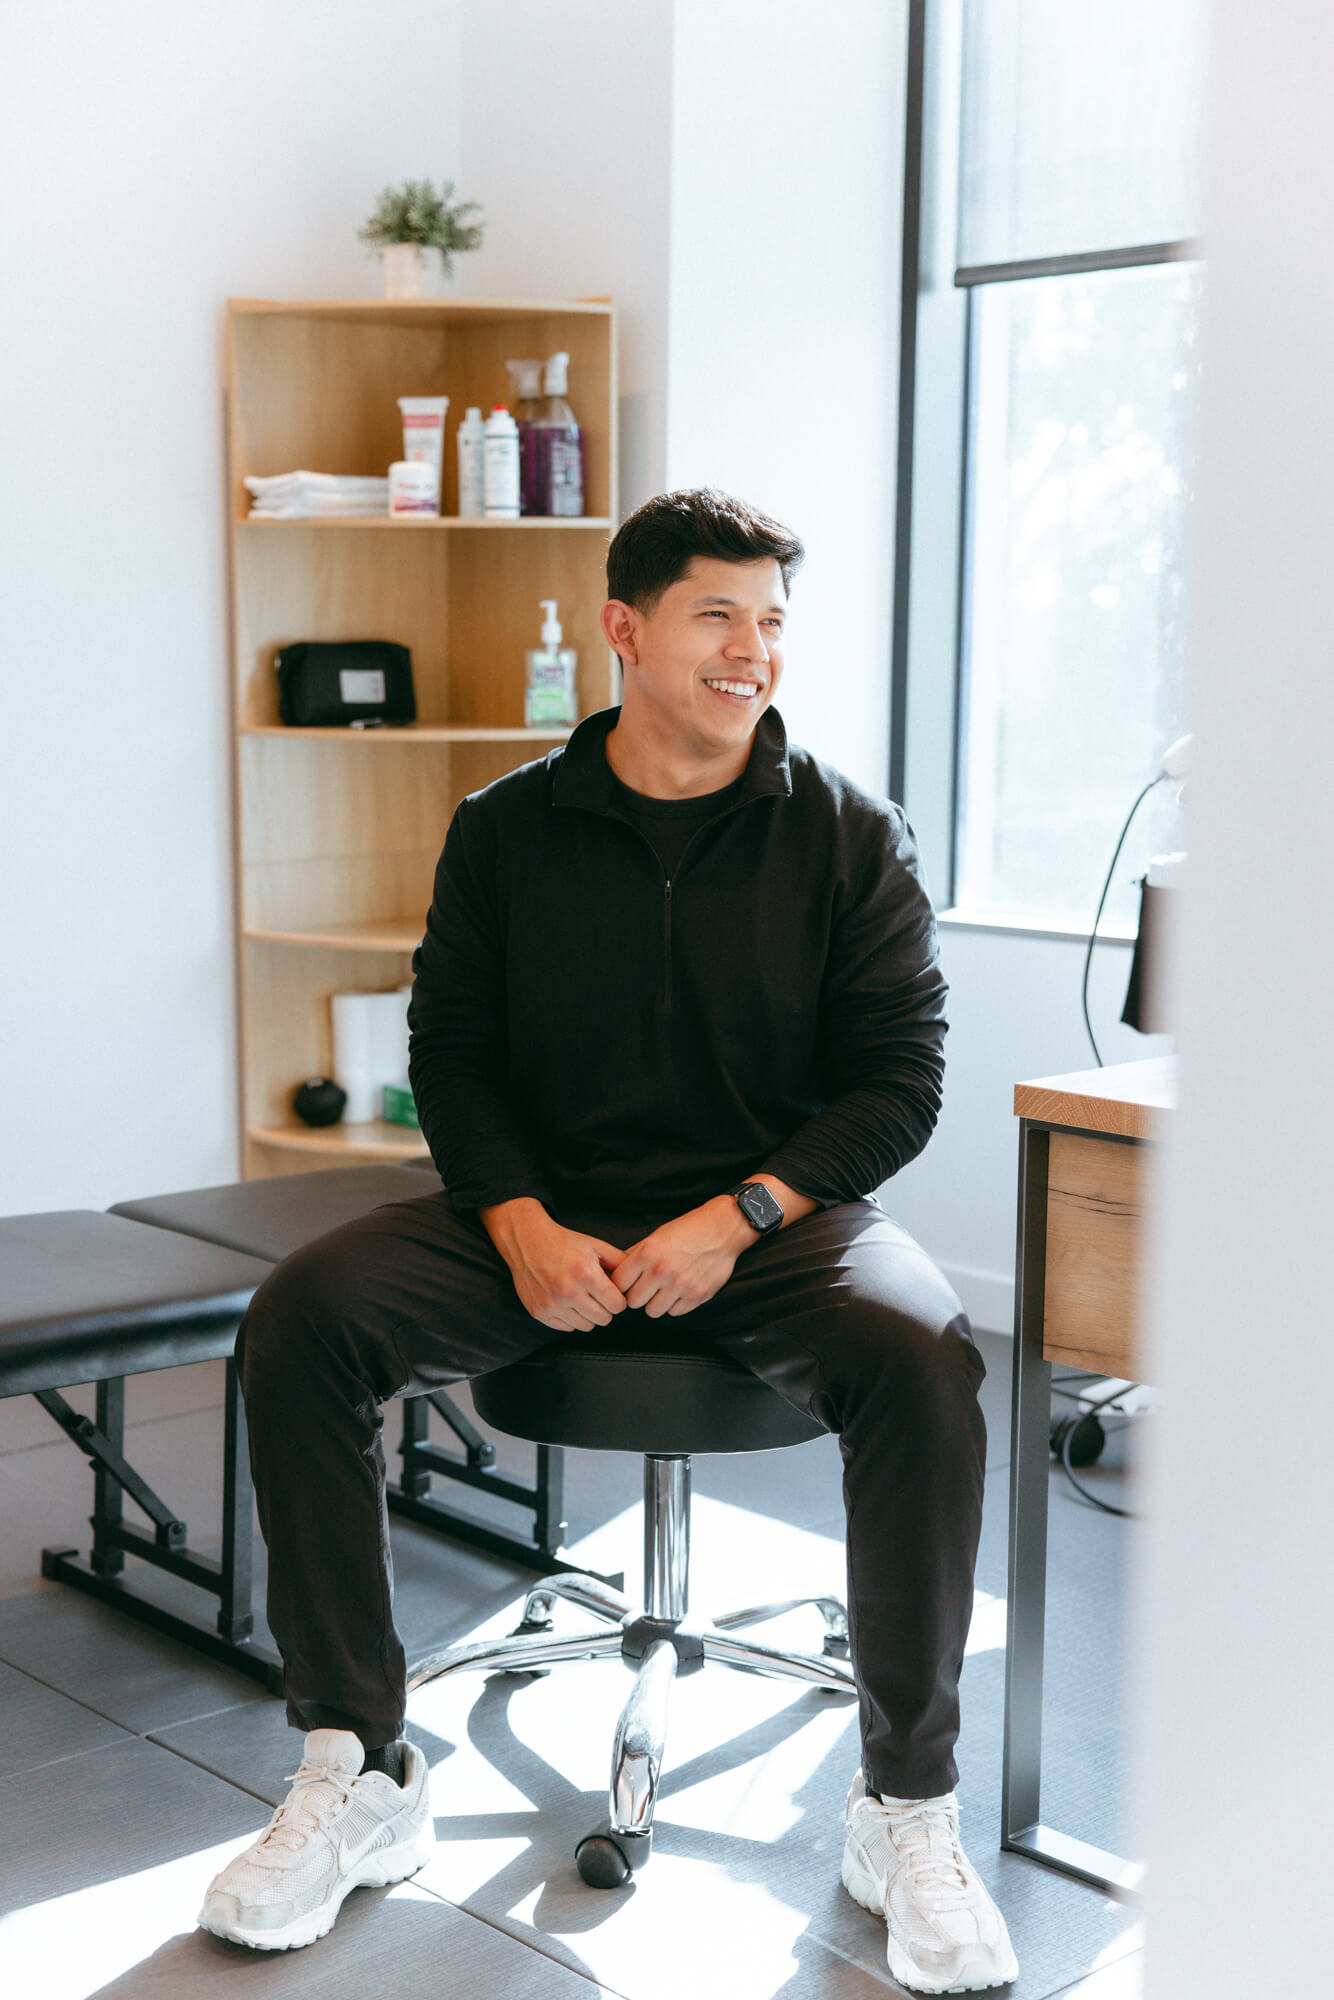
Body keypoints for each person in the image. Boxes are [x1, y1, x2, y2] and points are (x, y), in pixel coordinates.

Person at [199, 488, 1017, 1993]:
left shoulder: (846, 834)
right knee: (306, 1313)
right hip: (541, 1216)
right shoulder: (505, 829)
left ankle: (905, 1801)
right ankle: (360, 1763)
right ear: (624, 627)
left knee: (922, 1351)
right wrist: (514, 1219)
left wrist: (737, 1215)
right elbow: (451, 1052)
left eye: (770, 623)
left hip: (773, 1222)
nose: (749, 652)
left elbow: (898, 1081)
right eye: (717, 615)